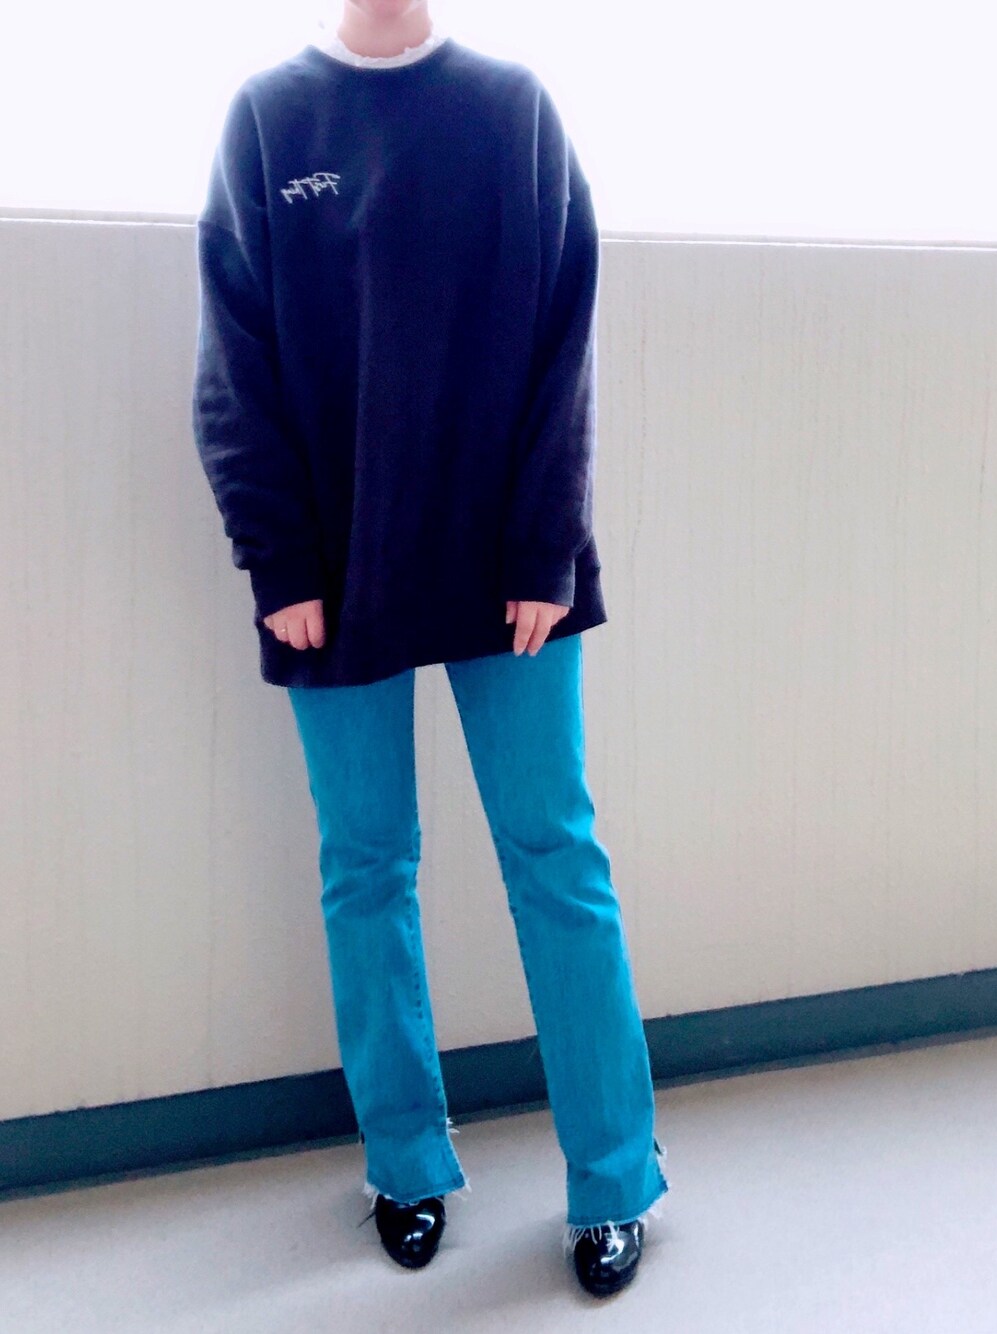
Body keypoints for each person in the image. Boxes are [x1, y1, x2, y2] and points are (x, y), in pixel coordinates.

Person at [191, 0, 669, 1299]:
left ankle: (615, 1177)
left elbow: (565, 335)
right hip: (335, 570)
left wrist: (545, 547)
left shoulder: (512, 109)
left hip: (509, 563)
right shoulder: (268, 119)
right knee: (365, 865)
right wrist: (279, 558)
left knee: (555, 855)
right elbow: (232, 359)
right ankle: (405, 1161)